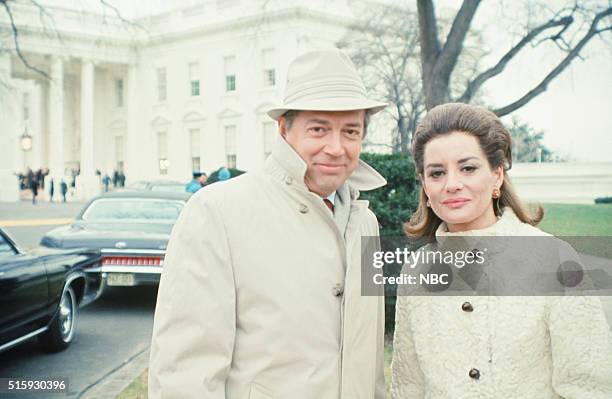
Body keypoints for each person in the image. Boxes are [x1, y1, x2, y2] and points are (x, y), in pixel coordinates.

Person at [149, 48, 388, 398]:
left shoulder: (365, 222)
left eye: (351, 132)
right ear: (283, 129)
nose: (336, 147)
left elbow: (369, 358)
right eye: (319, 129)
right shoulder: (217, 211)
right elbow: (184, 370)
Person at [391, 103, 612, 398]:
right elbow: (408, 387)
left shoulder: (554, 259)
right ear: (424, 186)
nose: (452, 184)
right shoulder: (416, 271)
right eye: (437, 173)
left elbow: (589, 386)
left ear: (496, 176)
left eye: (468, 168)